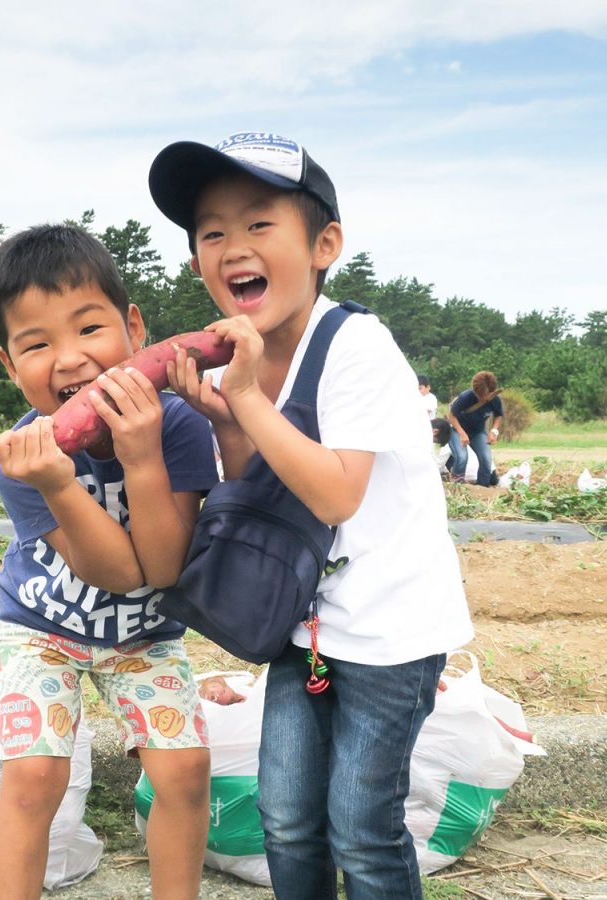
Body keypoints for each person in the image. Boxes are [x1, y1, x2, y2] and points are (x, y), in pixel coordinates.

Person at [149, 131, 474, 899]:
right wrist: (231, 422)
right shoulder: (250, 355)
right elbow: (262, 491)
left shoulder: (357, 345)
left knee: (362, 825)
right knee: (287, 815)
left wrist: (246, 399)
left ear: (324, 243)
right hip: (307, 626)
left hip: (391, 637)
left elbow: (335, 494)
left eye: (260, 224)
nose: (234, 246)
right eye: (212, 231)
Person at [0, 224, 215, 900]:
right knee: (33, 778)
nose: (70, 359)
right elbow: (112, 569)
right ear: (9, 365)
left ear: (134, 330)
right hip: (38, 628)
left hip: (145, 634)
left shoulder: (177, 426)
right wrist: (55, 479)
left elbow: (161, 568)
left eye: (89, 329)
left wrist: (140, 453)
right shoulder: (21, 459)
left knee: (185, 770)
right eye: (37, 344)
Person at [447, 371, 503, 487]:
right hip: (457, 430)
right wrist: (462, 433)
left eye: (486, 395)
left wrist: (494, 431)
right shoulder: (465, 397)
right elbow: (451, 416)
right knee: (462, 457)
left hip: (477, 432)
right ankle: (458, 485)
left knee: (486, 459)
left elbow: (498, 415)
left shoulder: (495, 400)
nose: (482, 398)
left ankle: (482, 487)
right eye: (479, 395)